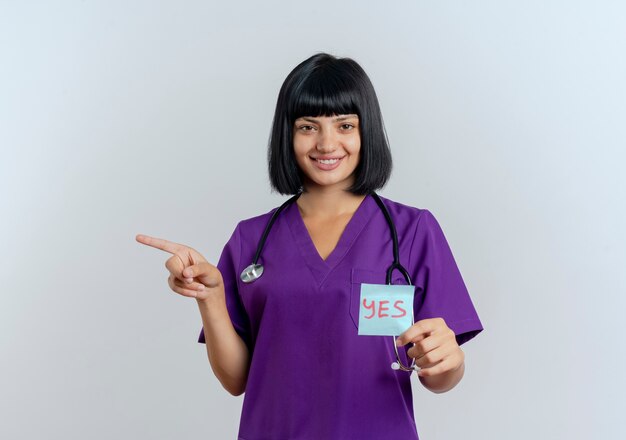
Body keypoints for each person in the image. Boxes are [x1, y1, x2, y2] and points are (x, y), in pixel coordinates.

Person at [136, 52, 483, 440]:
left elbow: (440, 377)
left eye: (344, 125)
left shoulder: (413, 232)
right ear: (288, 134)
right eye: (308, 126)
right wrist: (210, 296)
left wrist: (448, 361)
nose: (326, 143)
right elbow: (236, 380)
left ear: (367, 131)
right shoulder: (249, 241)